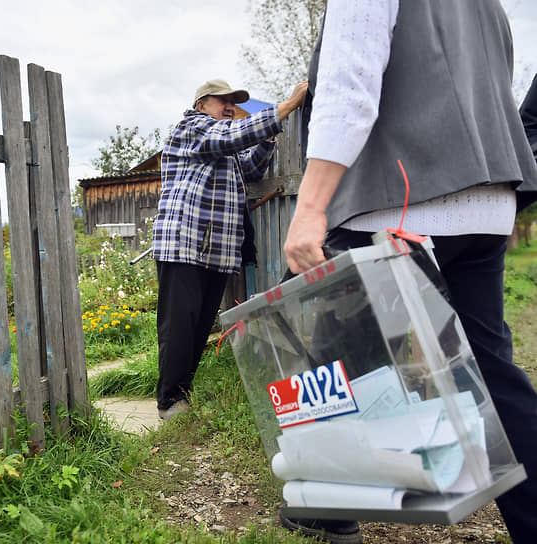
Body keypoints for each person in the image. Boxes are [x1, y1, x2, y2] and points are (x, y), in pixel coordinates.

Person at [282, 1, 537, 543]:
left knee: (334, 362)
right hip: (487, 201)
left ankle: (325, 503)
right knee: (489, 373)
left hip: (402, 196)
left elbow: (349, 82)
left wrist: (310, 207)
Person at [152, 78, 307, 421]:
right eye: (221, 100)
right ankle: (168, 400)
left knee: (201, 323)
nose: (228, 106)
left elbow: (249, 168)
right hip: (184, 243)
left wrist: (266, 140)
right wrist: (285, 108)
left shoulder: (223, 147)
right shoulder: (192, 129)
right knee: (180, 324)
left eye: (232, 103)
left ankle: (182, 394)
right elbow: (229, 136)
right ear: (201, 105)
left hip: (215, 249)